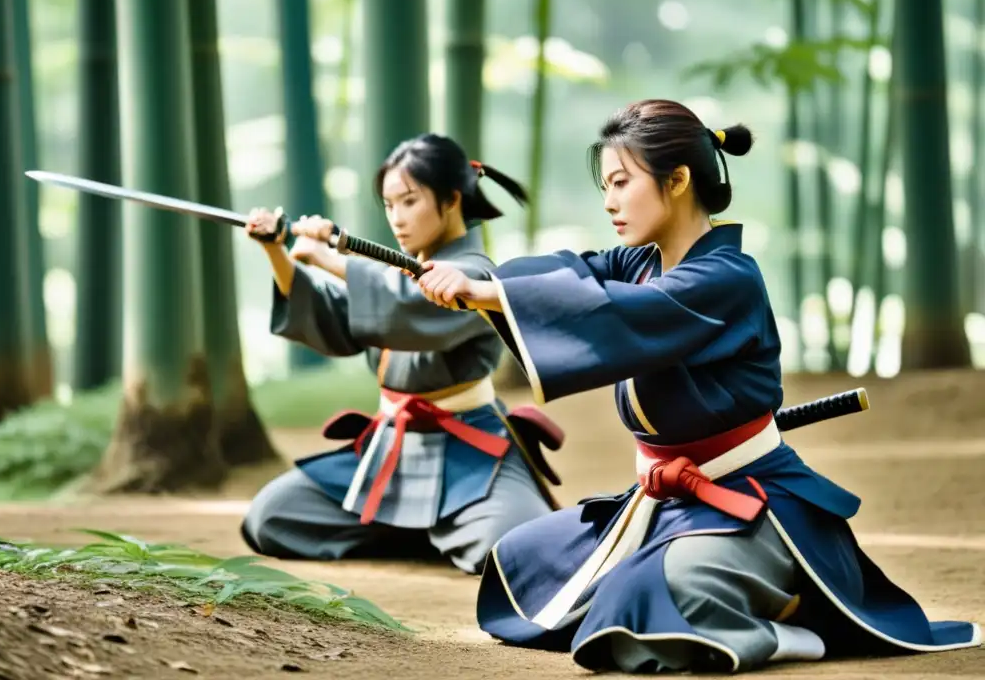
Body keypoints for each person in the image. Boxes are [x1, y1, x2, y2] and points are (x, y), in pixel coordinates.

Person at [414, 100, 981, 672]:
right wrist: (481, 278)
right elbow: (572, 272)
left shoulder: (727, 278)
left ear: (678, 179)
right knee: (521, 561)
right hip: (668, 503)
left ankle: (795, 634)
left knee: (652, 596)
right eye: (605, 185)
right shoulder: (637, 262)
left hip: (753, 505)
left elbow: (623, 311)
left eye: (621, 182)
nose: (608, 201)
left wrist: (491, 295)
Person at [238, 133, 564, 575]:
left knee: (515, 548)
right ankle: (428, 530)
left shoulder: (474, 275)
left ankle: (436, 527)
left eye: (409, 201)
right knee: (271, 516)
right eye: (389, 205)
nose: (397, 218)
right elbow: (342, 317)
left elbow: (404, 304)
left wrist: (328, 256)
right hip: (392, 445)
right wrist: (279, 252)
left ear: (451, 200)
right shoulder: (394, 273)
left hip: (468, 443)